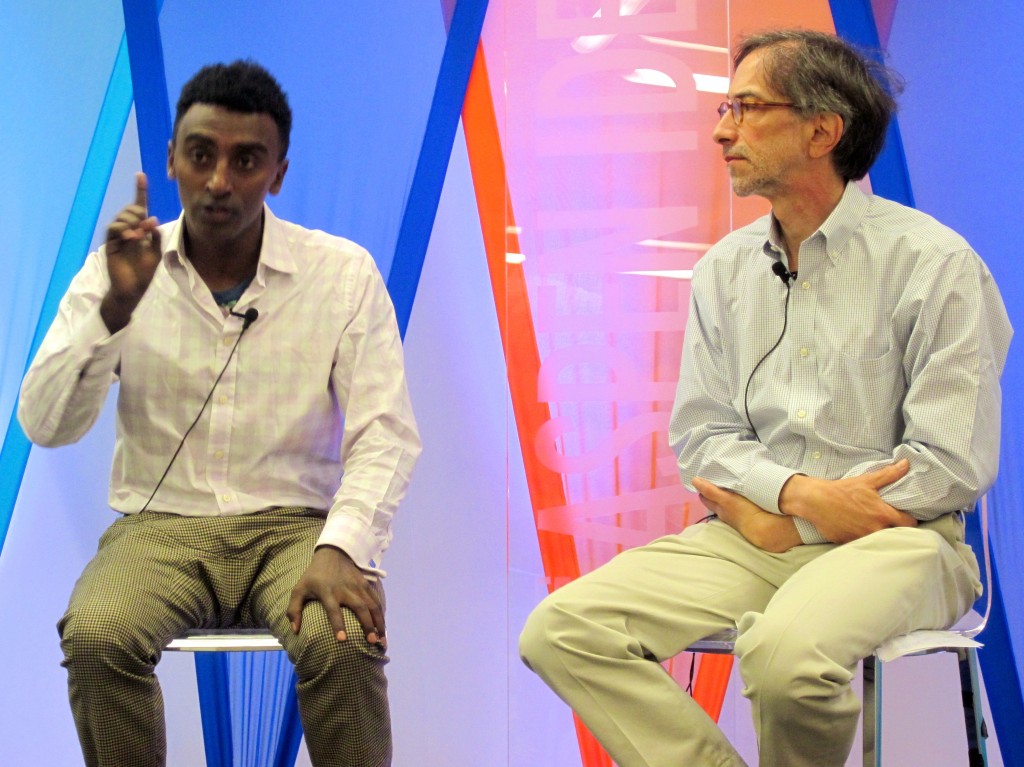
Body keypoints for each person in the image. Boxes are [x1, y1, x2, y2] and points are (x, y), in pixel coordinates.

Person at [519, 29, 1010, 767]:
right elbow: (704, 436)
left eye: (745, 108)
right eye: (726, 107)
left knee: (785, 659)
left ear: (822, 129)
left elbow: (949, 462)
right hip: (758, 534)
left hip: (903, 542)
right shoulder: (724, 270)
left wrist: (787, 514)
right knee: (559, 631)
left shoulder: (935, 264)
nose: (722, 129)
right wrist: (800, 498)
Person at [18, 60, 419, 767]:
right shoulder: (118, 268)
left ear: (280, 172)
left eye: (246, 160)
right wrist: (114, 308)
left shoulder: (342, 273)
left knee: (346, 637)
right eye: (200, 155)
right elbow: (48, 425)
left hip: (294, 529)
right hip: (158, 528)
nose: (219, 181)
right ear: (171, 157)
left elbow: (384, 430)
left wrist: (342, 543)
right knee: (97, 633)